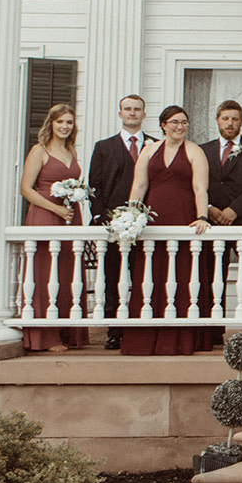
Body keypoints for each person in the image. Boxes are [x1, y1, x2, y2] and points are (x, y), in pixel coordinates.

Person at [122, 106, 214, 356]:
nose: (180, 127)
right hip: (154, 220)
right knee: (152, 274)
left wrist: (202, 217)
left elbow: (200, 188)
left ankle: (180, 339)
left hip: (183, 216)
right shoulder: (149, 150)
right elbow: (139, 185)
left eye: (184, 122)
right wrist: (131, 217)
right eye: (174, 122)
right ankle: (144, 339)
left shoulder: (195, 151)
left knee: (182, 272)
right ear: (163, 125)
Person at [19, 103, 89, 352]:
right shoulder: (40, 150)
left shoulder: (72, 152)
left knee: (68, 271)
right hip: (46, 214)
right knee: (45, 270)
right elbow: (26, 188)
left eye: (69, 122)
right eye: (60, 122)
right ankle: (45, 337)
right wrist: (56, 208)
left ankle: (67, 332)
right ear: (51, 124)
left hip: (70, 215)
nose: (65, 126)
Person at [87, 94, 154, 347]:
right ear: (120, 114)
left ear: (144, 114)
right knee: (113, 277)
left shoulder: (154, 145)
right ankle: (115, 331)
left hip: (146, 224)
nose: (132, 113)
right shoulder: (104, 147)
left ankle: (140, 328)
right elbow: (96, 186)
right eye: (128, 109)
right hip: (112, 225)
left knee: (142, 276)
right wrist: (104, 218)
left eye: (137, 109)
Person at [200, 100, 242, 323]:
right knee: (211, 272)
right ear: (217, 120)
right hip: (212, 220)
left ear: (241, 122)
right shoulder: (203, 150)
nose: (230, 123)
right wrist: (209, 209)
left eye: (235, 119)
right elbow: (196, 184)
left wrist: (234, 210)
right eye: (225, 118)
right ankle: (212, 329)